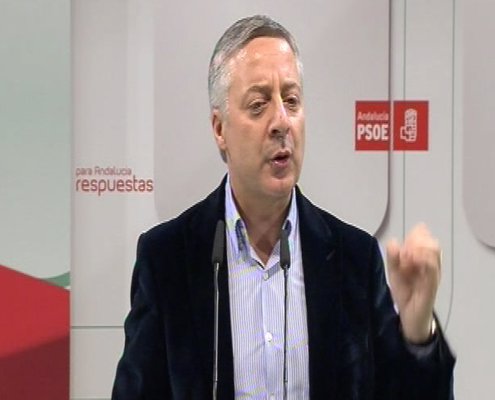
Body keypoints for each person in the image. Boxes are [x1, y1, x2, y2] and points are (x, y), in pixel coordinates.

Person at [112, 15, 455, 399]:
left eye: (291, 101)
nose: (281, 122)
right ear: (220, 129)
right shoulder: (168, 259)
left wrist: (417, 331)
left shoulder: (353, 260)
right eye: (258, 105)